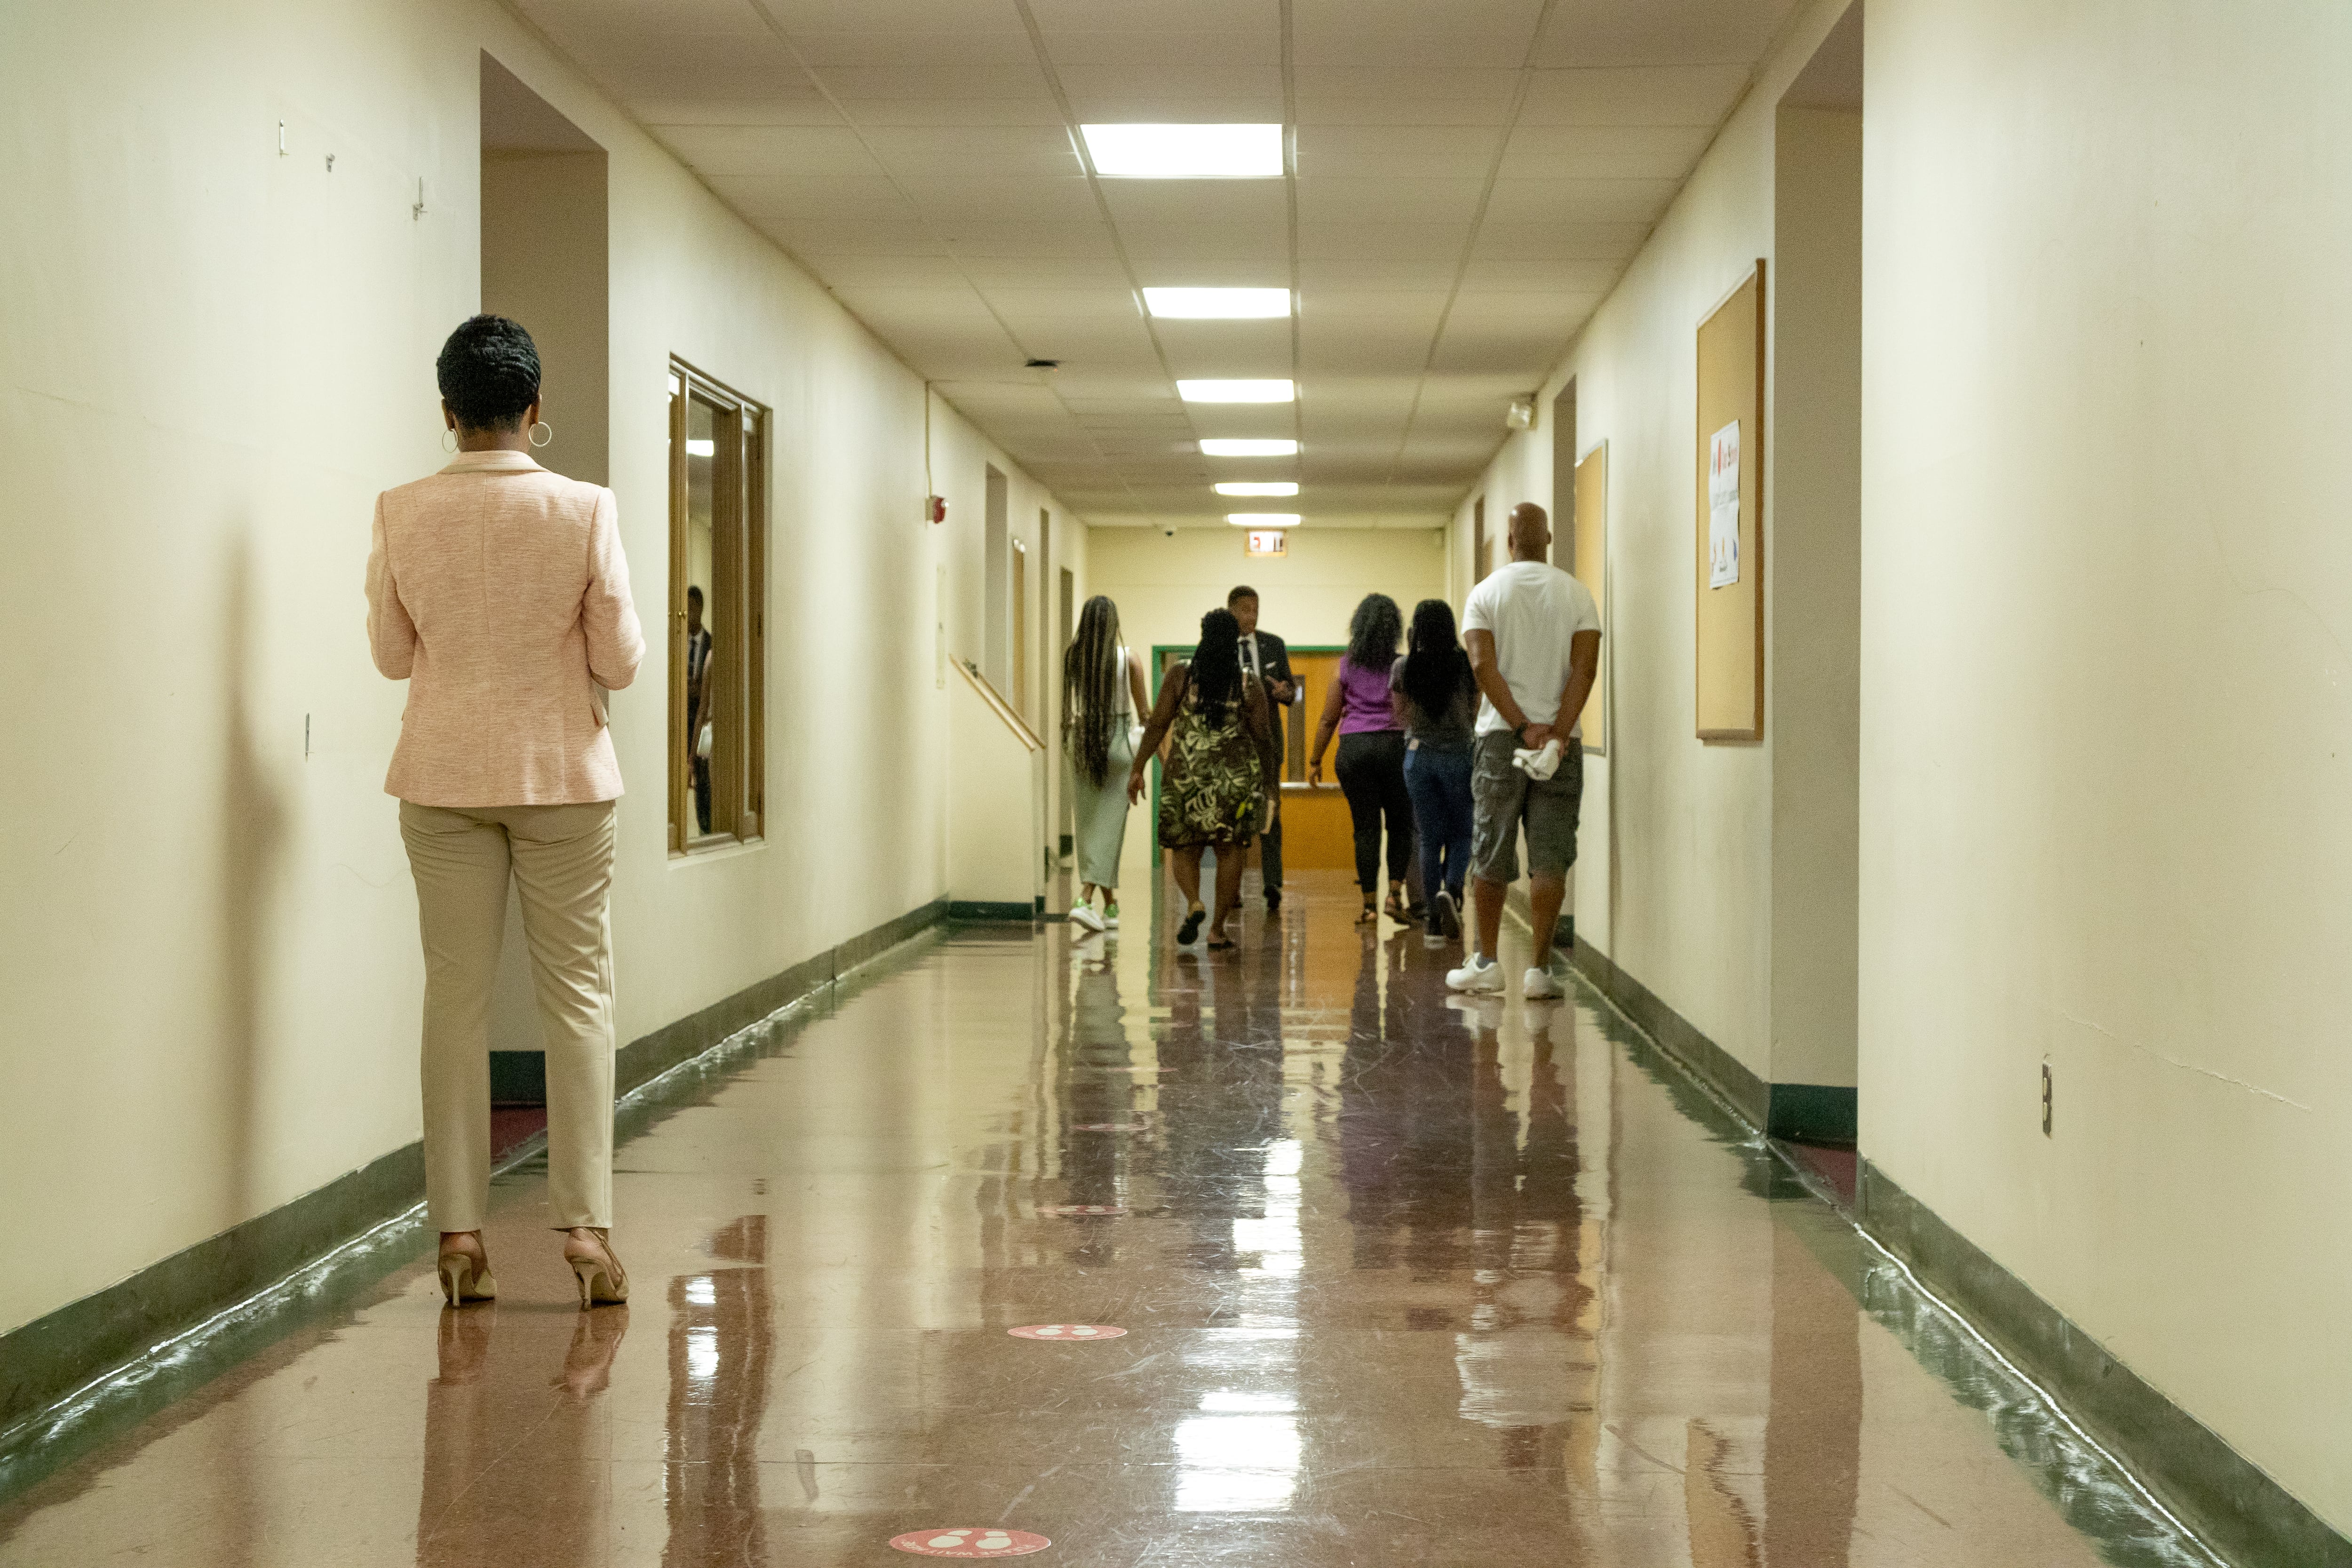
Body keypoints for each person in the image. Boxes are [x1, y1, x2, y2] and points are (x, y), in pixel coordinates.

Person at [367, 314, 644, 1310]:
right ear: (535, 409)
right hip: (565, 778)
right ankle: (584, 1228)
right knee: (578, 999)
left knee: (455, 998)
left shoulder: (402, 510)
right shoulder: (583, 509)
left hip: (441, 778)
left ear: (448, 412)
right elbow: (618, 659)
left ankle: (459, 1233)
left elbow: (393, 654)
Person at [1446, 501, 1602, 1000]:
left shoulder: (1485, 594)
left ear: (1510, 542)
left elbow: (1481, 665)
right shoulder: (1577, 595)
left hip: (1499, 739)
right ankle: (1538, 970)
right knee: (1549, 858)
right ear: (1548, 540)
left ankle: (1487, 962)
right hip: (1561, 744)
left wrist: (1520, 726)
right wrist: (1555, 731)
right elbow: (1585, 671)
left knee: (1490, 849)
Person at [1128, 607, 1281, 950]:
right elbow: (1264, 739)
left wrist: (1138, 767)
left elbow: (1157, 724)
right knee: (1230, 852)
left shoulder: (1181, 675)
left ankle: (1195, 902)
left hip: (1187, 777)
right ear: (1235, 643)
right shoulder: (1247, 682)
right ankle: (1217, 929)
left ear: (1203, 635)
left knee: (1185, 846)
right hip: (1234, 781)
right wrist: (1270, 784)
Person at [1307, 593, 1416, 925]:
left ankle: (1368, 906)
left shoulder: (1346, 664)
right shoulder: (1402, 664)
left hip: (1354, 750)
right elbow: (1410, 711)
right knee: (1400, 824)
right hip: (1395, 747)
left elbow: (1329, 718)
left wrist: (1315, 759)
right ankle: (1393, 895)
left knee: (1365, 828)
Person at [1392, 598, 1479, 946]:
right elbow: (1475, 710)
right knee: (1462, 832)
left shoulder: (1403, 667)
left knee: (1430, 837)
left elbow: (1400, 716)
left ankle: (1431, 921)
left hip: (1419, 758)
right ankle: (1453, 889)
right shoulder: (1465, 665)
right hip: (1459, 755)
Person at [1062, 595, 1151, 933]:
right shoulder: (1129, 660)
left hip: (1083, 742)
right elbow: (1145, 714)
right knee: (1110, 828)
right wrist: (1158, 756)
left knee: (1090, 827)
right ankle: (1085, 899)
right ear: (1114, 623)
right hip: (1118, 744)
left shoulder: (1074, 657)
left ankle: (1110, 905)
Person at [1228, 585, 1297, 909]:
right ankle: (1233, 888)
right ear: (1232, 611)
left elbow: (1291, 693)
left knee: (1271, 812)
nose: (1251, 616)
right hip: (1233, 744)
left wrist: (1286, 692)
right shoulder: (1222, 645)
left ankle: (1273, 885)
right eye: (1245, 609)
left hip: (1268, 743)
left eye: (1256, 609)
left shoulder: (1274, 644)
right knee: (1233, 815)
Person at [684, 584, 713, 835]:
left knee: (703, 777)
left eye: (692, 608)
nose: (689, 613)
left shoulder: (712, 645)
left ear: (700, 609)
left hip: (704, 720)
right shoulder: (677, 642)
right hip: (682, 717)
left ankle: (706, 827)